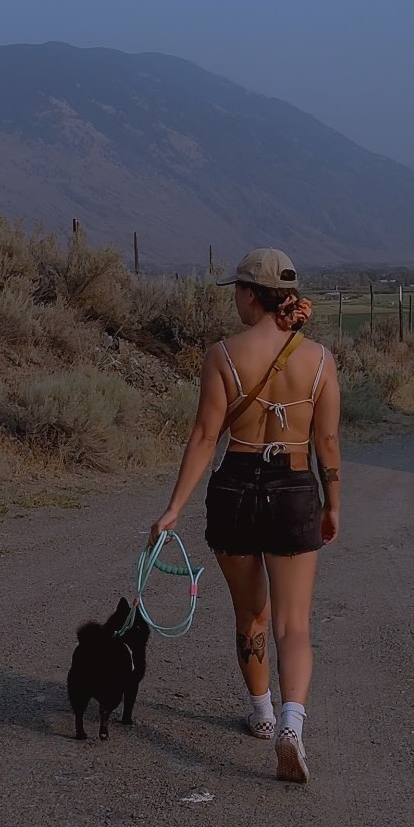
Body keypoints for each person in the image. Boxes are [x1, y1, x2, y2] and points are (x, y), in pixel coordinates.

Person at [150, 248, 341, 784]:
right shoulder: (320, 360)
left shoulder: (223, 355)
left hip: (234, 486)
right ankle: (290, 726)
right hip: (295, 487)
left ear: (252, 295)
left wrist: (173, 509)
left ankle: (260, 713)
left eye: (236, 289)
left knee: (250, 614)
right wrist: (333, 506)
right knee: (293, 623)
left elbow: (207, 436)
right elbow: (326, 440)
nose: (234, 298)